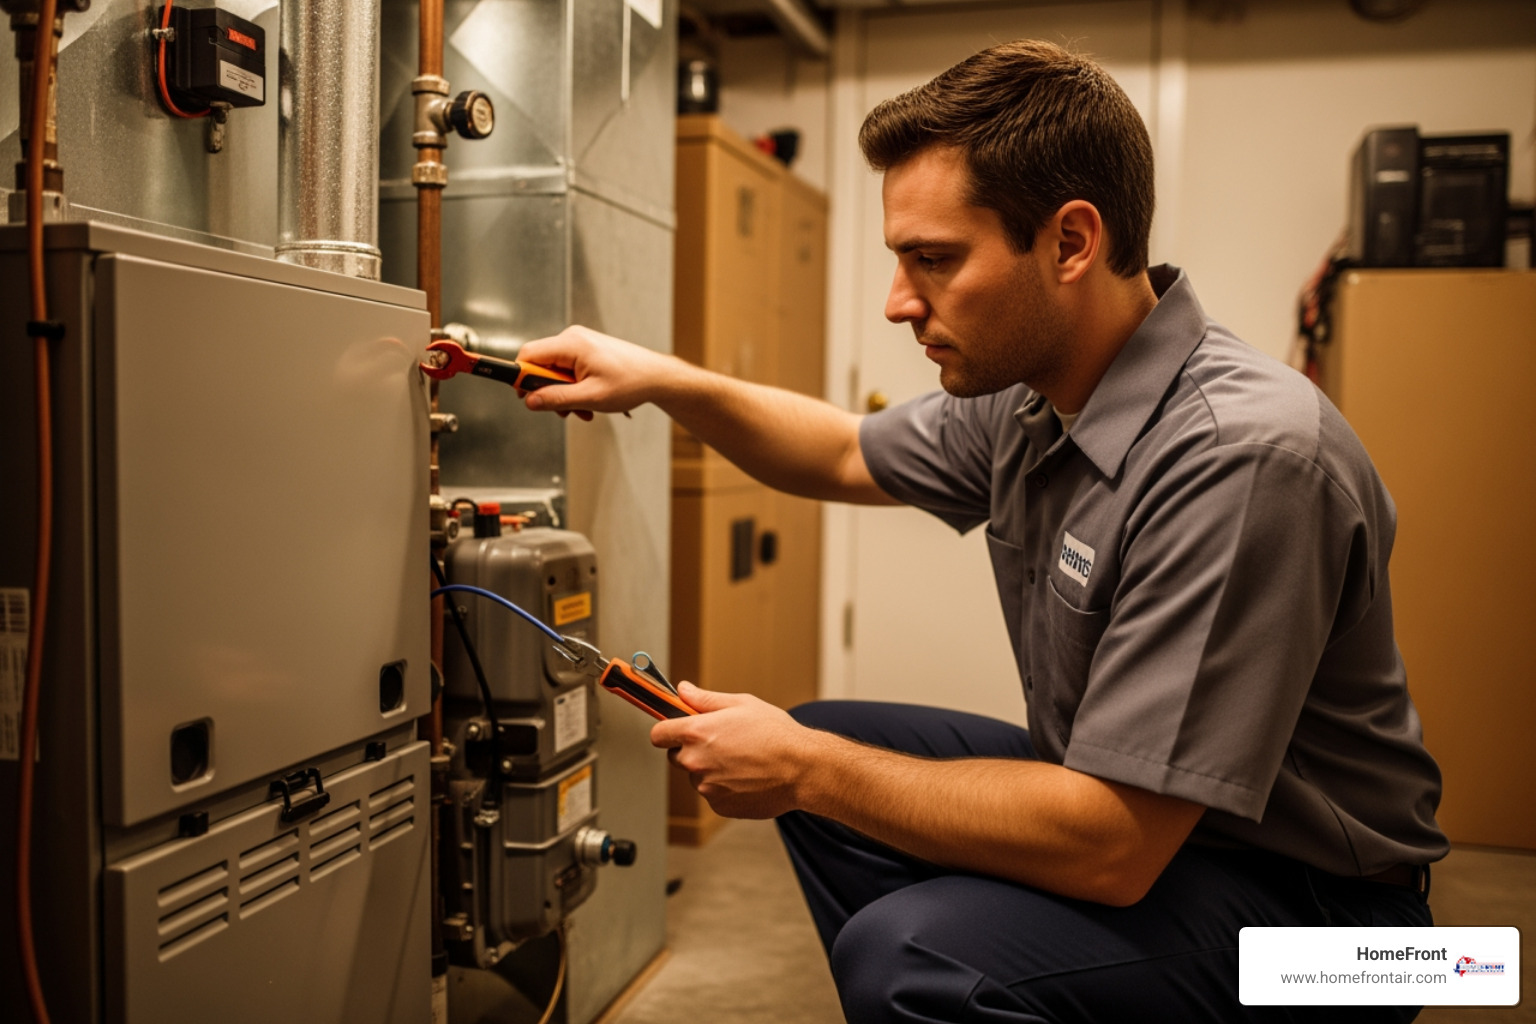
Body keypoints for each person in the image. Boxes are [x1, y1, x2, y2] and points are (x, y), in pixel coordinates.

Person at [517, 39, 1447, 1024]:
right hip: (1165, 833)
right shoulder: (1039, 398)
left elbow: (1115, 847)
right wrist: (659, 378)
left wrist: (803, 771)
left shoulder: (1244, 457)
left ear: (1072, 242)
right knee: (832, 745)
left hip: (1340, 935)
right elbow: (839, 452)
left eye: (935, 260)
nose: (897, 302)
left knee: (909, 948)